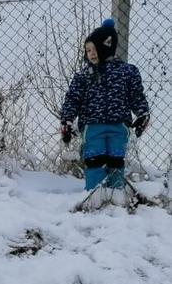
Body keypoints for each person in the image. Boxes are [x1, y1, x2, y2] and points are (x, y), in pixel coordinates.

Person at [60, 18, 151, 193]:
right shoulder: (84, 76)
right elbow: (73, 99)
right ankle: (95, 193)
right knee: (94, 159)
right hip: (92, 127)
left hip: (119, 126)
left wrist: (142, 114)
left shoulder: (128, 72)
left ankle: (116, 194)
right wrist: (67, 120)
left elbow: (136, 96)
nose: (91, 54)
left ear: (106, 47)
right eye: (87, 51)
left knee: (116, 160)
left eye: (94, 49)